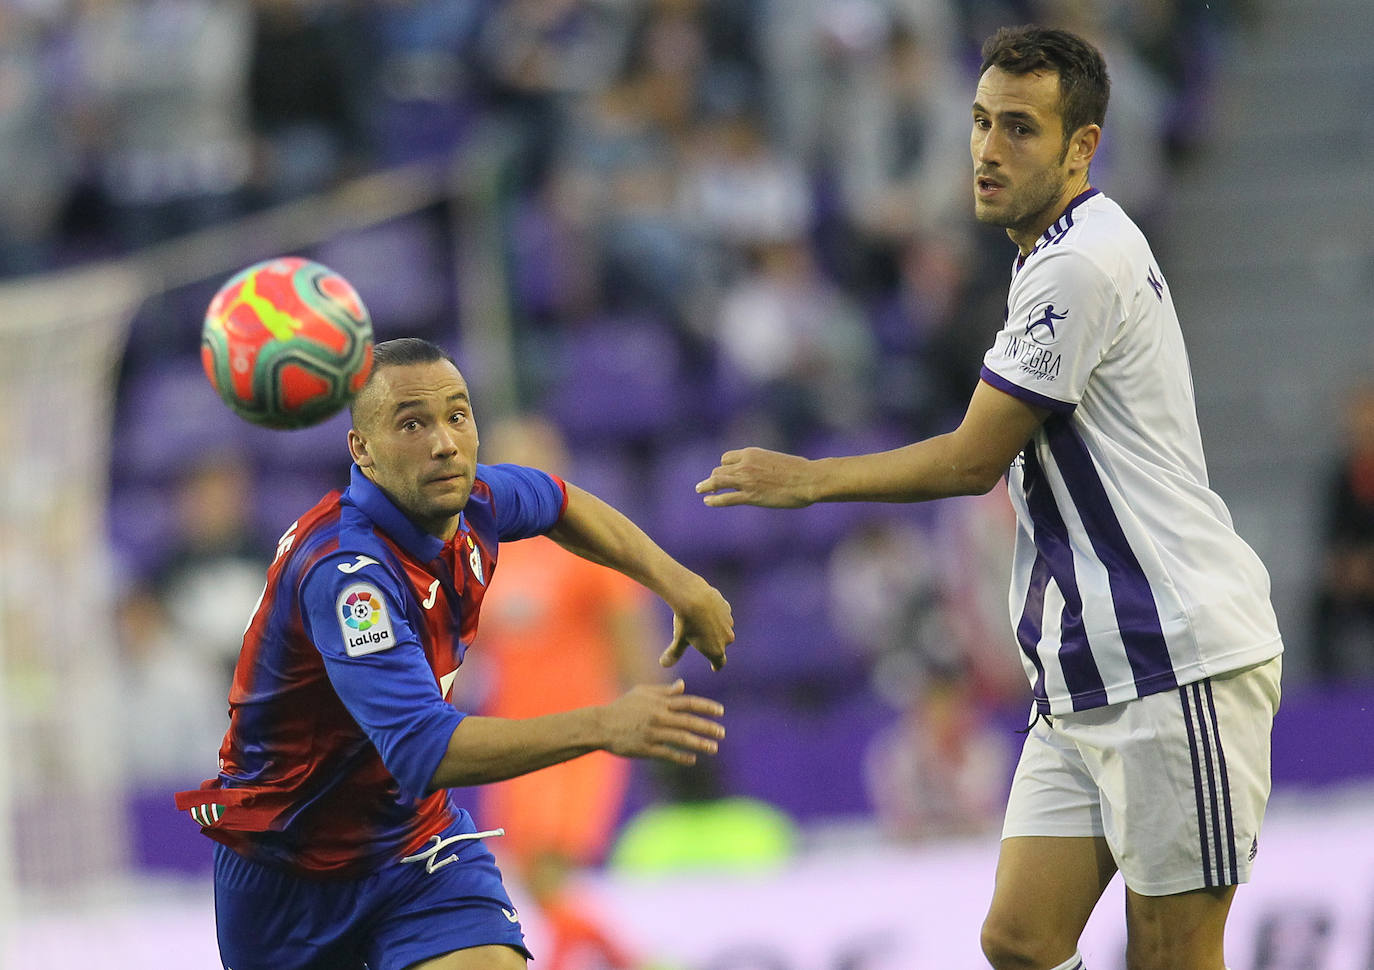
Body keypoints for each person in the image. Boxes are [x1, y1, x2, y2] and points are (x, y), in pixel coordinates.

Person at [695, 25, 1282, 970]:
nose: (987, 150)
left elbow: (973, 460)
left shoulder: (1078, 265)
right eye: (978, 123)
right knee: (1020, 940)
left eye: (1019, 129)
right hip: (1087, 669)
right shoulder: (1044, 256)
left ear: (1081, 146)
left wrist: (808, 480)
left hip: (1172, 658)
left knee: (1173, 953)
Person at [175, 337, 734, 970]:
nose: (444, 442)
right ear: (362, 450)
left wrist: (680, 584)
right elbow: (421, 748)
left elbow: (562, 502)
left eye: (458, 415)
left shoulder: (473, 502)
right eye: (412, 423)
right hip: (288, 868)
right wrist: (605, 722)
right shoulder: (348, 576)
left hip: (414, 844)